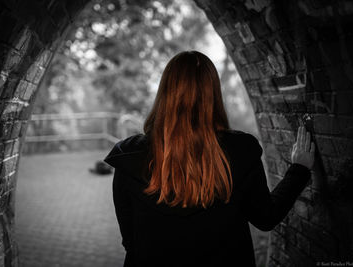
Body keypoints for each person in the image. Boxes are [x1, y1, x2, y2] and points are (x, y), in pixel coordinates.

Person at [104, 51, 315, 267]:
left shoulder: (129, 157)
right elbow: (265, 217)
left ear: (165, 92)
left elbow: (131, 240)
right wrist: (299, 169)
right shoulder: (240, 150)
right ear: (212, 94)